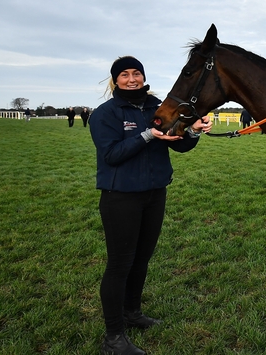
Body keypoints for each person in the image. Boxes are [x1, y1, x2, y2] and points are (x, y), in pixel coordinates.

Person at [89, 56, 213, 355]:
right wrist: (146, 135)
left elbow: (179, 143)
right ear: (115, 80)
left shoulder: (157, 107)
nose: (132, 79)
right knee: (120, 265)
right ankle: (113, 337)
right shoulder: (104, 114)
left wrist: (194, 130)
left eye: (136, 73)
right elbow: (112, 155)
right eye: (125, 74)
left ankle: (132, 313)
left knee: (142, 259)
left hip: (155, 193)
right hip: (121, 197)